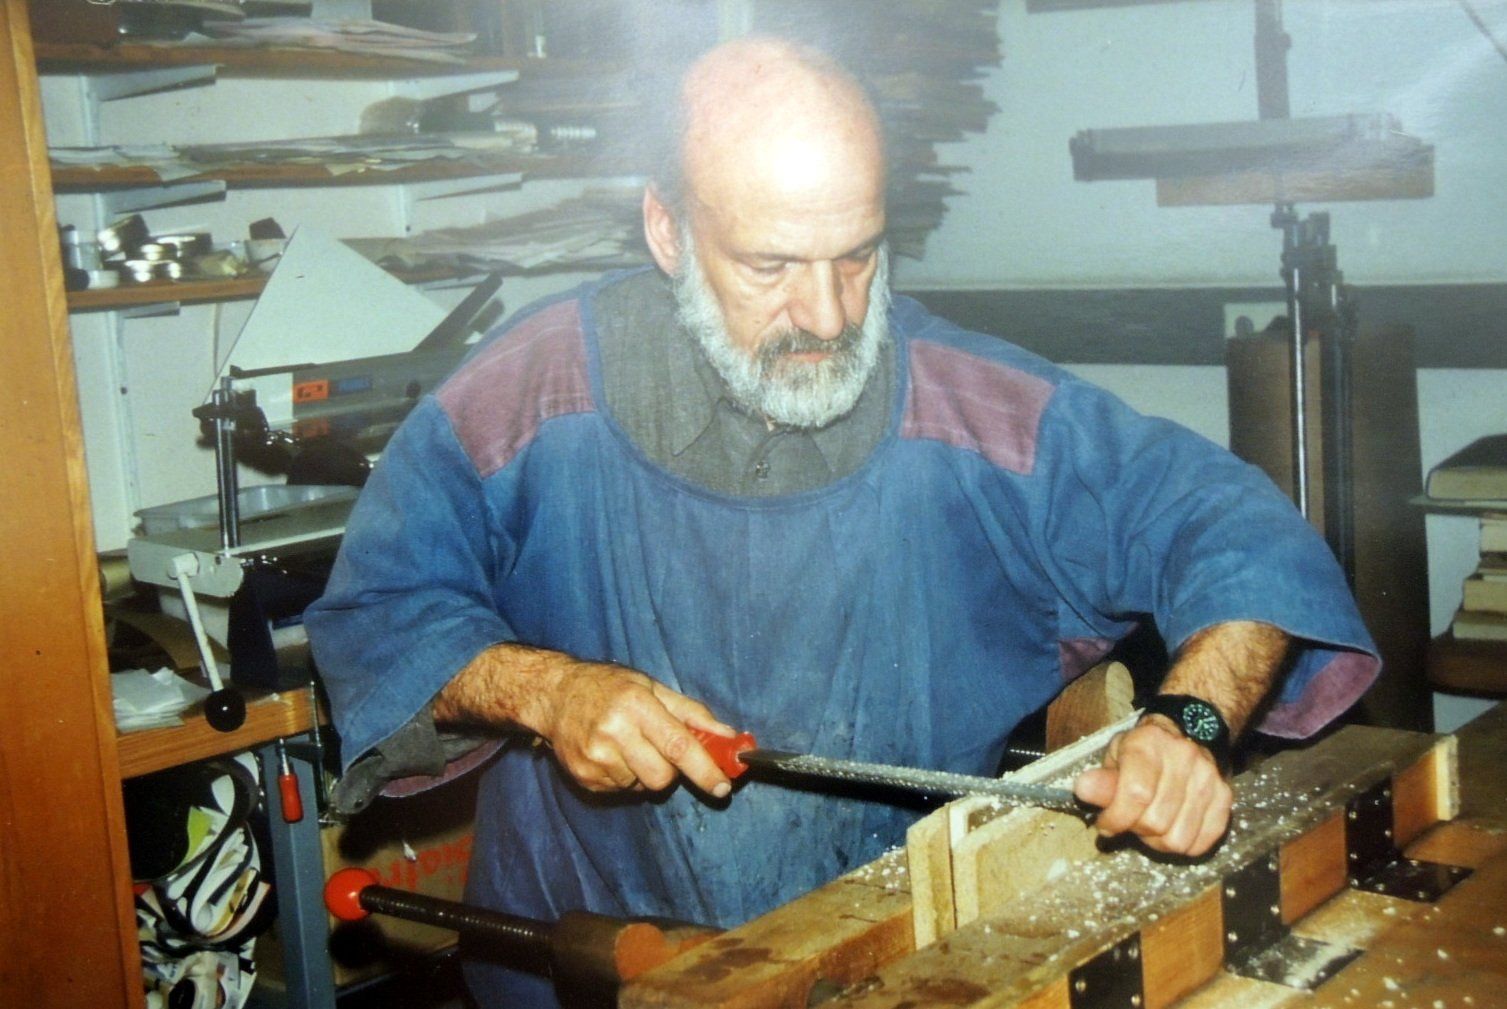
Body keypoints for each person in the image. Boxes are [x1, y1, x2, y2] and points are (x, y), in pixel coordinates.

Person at [306, 37, 1378, 1008]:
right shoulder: (529, 395)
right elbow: (382, 608)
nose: (828, 315)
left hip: (890, 972)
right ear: (667, 229)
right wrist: (549, 692)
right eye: (770, 265)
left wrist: (1190, 725)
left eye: (857, 255)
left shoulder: (976, 415)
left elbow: (1239, 530)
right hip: (578, 968)